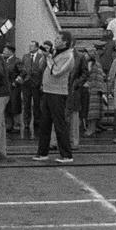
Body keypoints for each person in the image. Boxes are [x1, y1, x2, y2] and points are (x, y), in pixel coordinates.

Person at [34, 32, 77, 162]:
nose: (55, 40)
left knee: (59, 124)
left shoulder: (69, 56)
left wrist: (48, 58)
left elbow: (56, 71)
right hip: (48, 91)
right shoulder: (57, 53)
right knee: (45, 123)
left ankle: (66, 154)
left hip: (58, 93)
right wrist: (47, 56)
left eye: (58, 39)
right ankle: (42, 152)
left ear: (65, 42)